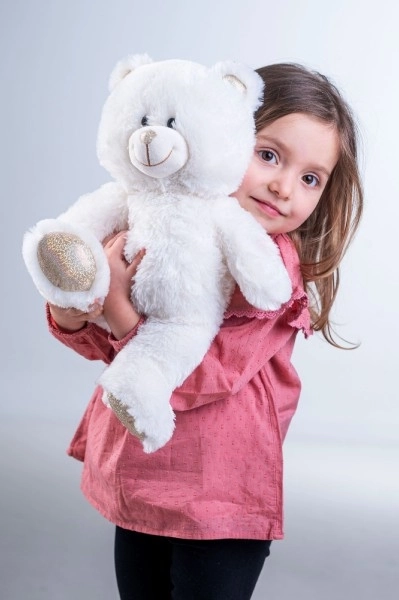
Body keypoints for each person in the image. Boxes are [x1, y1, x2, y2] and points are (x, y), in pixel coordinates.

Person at [47, 63, 363, 600]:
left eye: (311, 178)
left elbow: (203, 377)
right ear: (222, 131)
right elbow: (108, 346)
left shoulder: (268, 270)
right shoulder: (155, 225)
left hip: (219, 497)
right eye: (268, 155)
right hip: (143, 476)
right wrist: (77, 310)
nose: (284, 187)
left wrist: (120, 308)